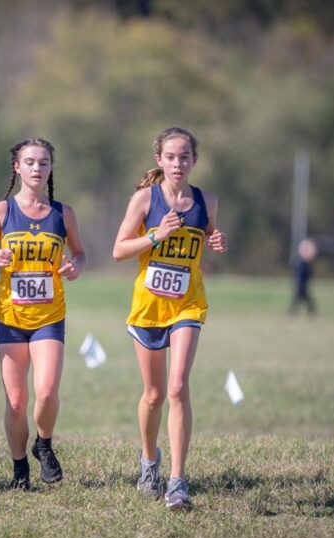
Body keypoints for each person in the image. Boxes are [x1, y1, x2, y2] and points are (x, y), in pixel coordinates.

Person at [113, 127, 228, 510]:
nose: (178, 163)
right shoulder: (145, 200)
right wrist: (155, 236)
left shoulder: (206, 200)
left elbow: (208, 233)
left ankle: (177, 481)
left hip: (187, 304)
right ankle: (149, 462)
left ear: (194, 160)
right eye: (171, 157)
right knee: (154, 394)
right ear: (158, 160)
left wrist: (215, 240)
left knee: (178, 387)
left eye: (185, 157)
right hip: (148, 306)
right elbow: (118, 250)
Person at [0, 138, 86, 489]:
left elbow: (80, 254)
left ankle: (44, 444)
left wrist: (75, 267)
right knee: (17, 402)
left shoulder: (62, 214)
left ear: (51, 168)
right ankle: (20, 470)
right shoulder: (2, 211)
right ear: (17, 168)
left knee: (47, 392)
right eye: (30, 162)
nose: (38, 168)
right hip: (10, 317)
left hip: (49, 316)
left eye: (44, 162)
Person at [288, 238, 318, 316]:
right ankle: (295, 311)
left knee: (301, 298)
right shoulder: (302, 264)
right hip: (301, 285)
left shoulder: (304, 264)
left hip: (302, 285)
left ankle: (294, 311)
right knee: (302, 298)